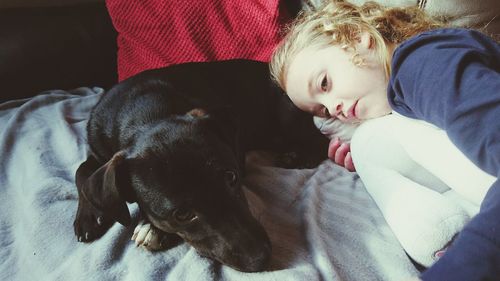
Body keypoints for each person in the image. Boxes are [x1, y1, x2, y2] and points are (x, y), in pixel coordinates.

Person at [269, 1, 500, 280]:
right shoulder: (405, 89)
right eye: (323, 110)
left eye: (325, 84)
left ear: (355, 37)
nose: (334, 109)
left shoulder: (425, 64)